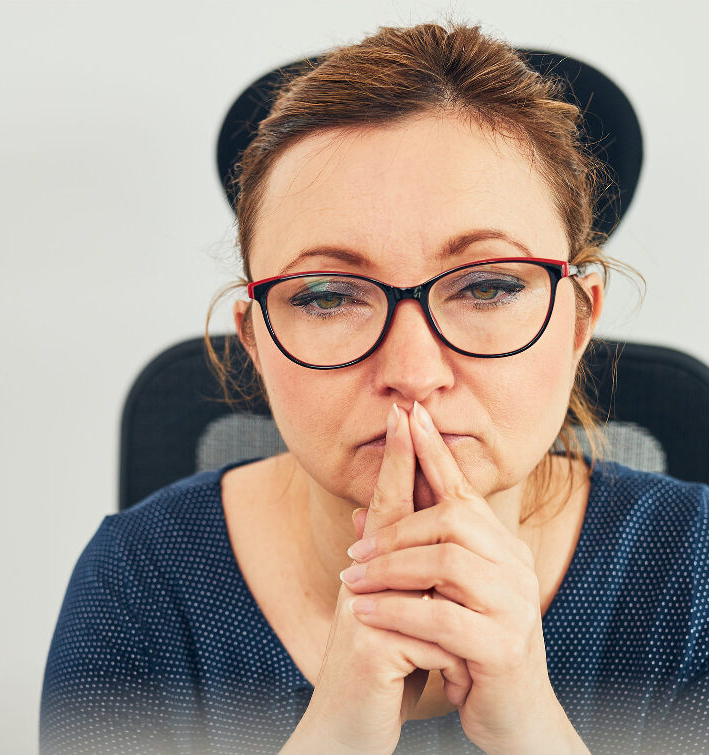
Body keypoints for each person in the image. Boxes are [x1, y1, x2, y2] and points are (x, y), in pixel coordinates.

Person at [40, 22, 709, 755]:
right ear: (257, 341)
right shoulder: (139, 583)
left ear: (579, 320)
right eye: (327, 295)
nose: (415, 373)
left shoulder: (697, 569)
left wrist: (534, 732)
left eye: (487, 286)